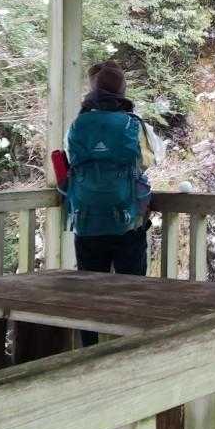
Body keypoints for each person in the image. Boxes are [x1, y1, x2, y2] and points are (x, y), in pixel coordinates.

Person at [61, 61, 162, 344]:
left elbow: (70, 161)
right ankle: (130, 347)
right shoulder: (132, 124)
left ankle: (89, 349)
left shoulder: (79, 124)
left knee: (90, 294)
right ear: (122, 91)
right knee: (132, 292)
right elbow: (150, 158)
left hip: (87, 221)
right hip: (127, 222)